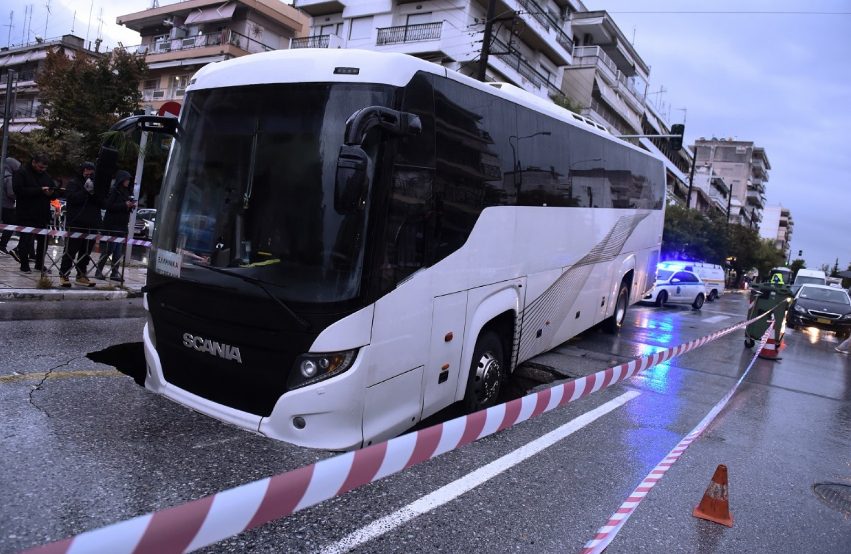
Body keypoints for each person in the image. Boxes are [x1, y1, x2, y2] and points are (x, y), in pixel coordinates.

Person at [12, 153, 57, 275]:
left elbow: (53, 189)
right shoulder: (22, 173)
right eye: (40, 167)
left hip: (42, 213)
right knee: (26, 240)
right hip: (26, 213)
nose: (42, 170)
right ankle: (24, 265)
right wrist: (39, 190)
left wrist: (52, 193)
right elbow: (18, 190)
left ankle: (39, 264)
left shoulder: (46, 176)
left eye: (44, 168)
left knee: (43, 241)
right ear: (34, 162)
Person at [58, 161, 101, 287]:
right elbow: (72, 199)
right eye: (86, 170)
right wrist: (84, 191)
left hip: (91, 223)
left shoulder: (95, 184)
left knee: (86, 251)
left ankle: (81, 275)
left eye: (91, 171)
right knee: (70, 250)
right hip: (76, 222)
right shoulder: (74, 183)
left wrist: (94, 192)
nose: (88, 173)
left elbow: (101, 202)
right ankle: (64, 274)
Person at [95, 170, 135, 281]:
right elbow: (108, 206)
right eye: (126, 179)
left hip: (122, 224)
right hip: (111, 225)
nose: (128, 181)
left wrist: (131, 205)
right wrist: (124, 205)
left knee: (118, 251)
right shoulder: (114, 191)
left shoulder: (127, 191)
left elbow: (125, 207)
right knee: (108, 249)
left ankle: (115, 273)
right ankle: (98, 271)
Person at [0, 157, 20, 254]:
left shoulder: (2, 176)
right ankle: (2, 245)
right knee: (11, 225)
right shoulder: (9, 178)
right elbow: (11, 193)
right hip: (7, 206)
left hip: (2, 205)